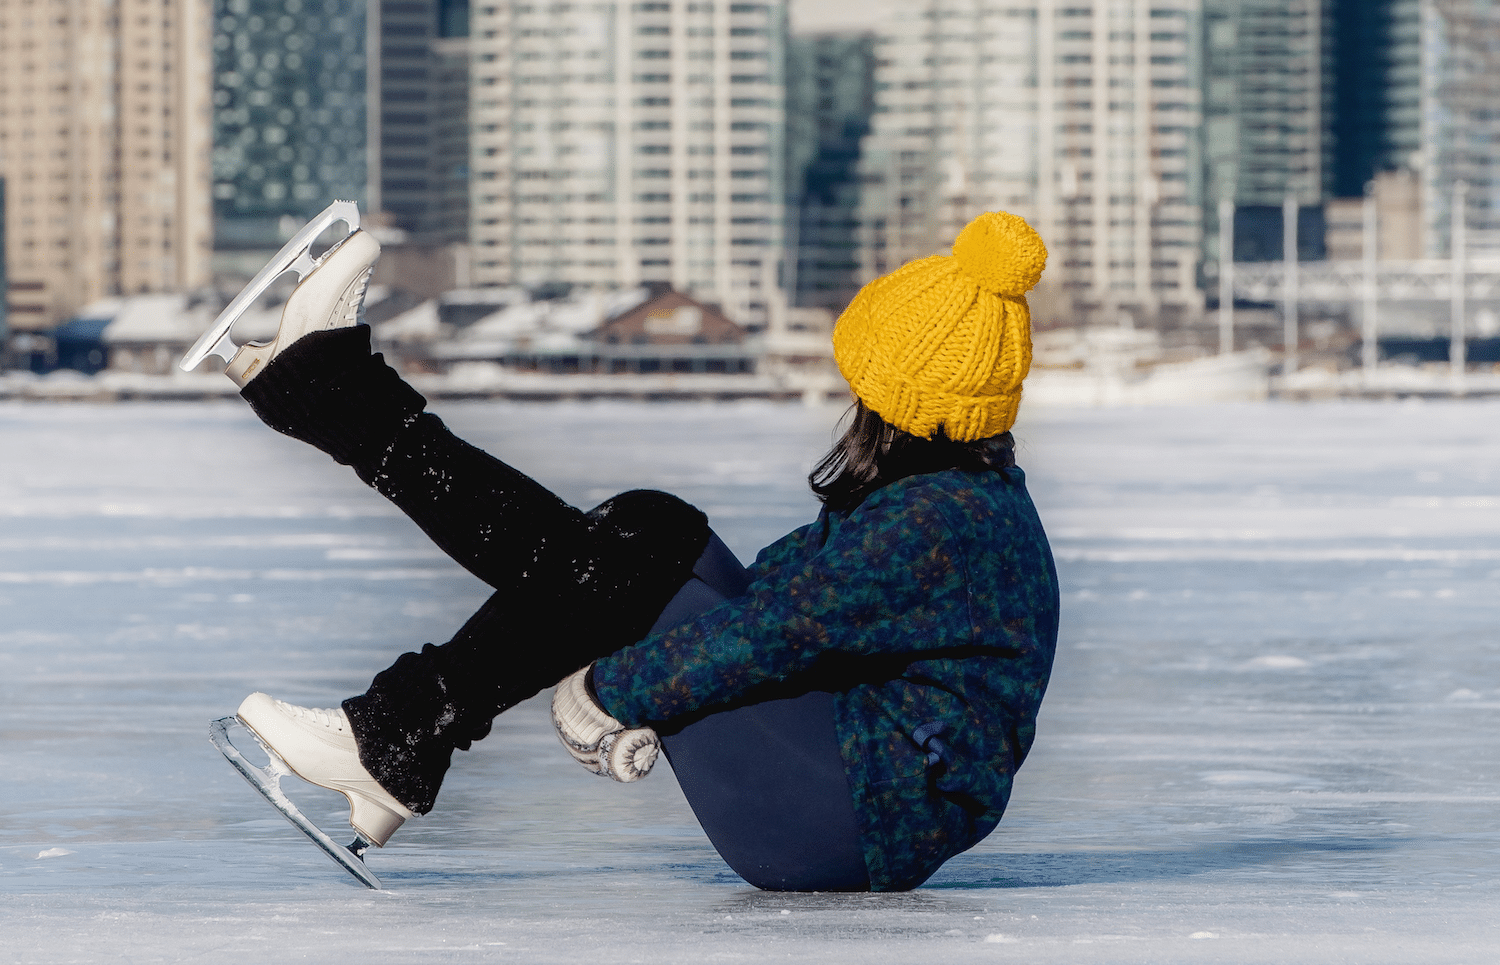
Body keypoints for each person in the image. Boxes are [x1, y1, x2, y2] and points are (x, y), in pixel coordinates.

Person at [211, 209, 1059, 893]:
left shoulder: (937, 524)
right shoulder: (951, 503)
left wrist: (612, 688)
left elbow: (776, 632)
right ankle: (391, 730)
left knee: (641, 554)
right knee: (647, 539)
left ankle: (328, 399)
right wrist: (630, 651)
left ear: (905, 402)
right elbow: (770, 600)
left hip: (844, 815)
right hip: (845, 797)